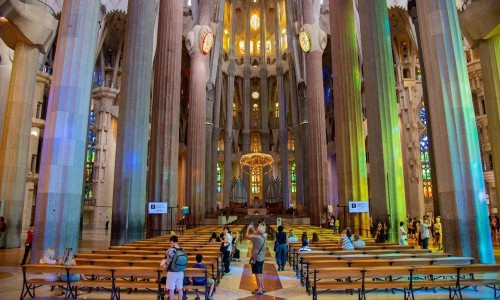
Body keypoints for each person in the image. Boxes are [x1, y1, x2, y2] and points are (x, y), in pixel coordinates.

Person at [161, 235, 185, 300]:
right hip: (180, 272)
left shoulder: (171, 250)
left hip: (172, 272)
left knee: (171, 289)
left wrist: (165, 261)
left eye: (170, 242)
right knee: (180, 289)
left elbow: (168, 262)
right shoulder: (182, 250)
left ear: (171, 241)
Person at [246, 223, 266, 295]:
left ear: (258, 232)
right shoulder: (264, 236)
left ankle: (260, 289)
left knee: (257, 274)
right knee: (260, 273)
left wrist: (248, 228)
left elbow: (247, 236)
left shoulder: (257, 238)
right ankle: (262, 287)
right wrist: (253, 229)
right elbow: (257, 233)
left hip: (256, 258)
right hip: (261, 257)